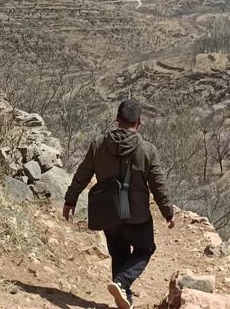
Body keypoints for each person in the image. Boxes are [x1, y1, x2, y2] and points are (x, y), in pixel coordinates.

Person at [63, 99, 175, 309]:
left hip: (109, 214)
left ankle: (124, 296)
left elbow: (82, 174)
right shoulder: (147, 150)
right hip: (137, 216)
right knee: (145, 249)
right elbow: (158, 185)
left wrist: (70, 199)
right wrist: (167, 211)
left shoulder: (99, 144)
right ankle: (122, 283)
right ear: (139, 122)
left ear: (116, 119)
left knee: (119, 253)